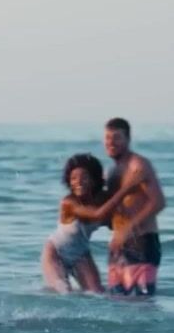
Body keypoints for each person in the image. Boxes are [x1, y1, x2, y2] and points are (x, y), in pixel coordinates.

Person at [41, 153, 141, 294]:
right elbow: (97, 214)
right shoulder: (69, 202)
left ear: (93, 180)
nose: (78, 182)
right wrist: (125, 190)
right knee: (63, 292)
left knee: (98, 292)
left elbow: (115, 222)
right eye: (73, 178)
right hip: (55, 252)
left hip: (81, 254)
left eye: (84, 177)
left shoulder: (102, 199)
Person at [102, 118, 166, 296]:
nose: (111, 142)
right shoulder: (111, 171)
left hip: (142, 242)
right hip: (118, 247)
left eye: (116, 137)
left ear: (128, 139)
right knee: (116, 301)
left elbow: (158, 202)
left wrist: (127, 229)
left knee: (142, 303)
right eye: (107, 138)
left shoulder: (138, 165)